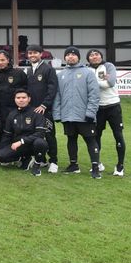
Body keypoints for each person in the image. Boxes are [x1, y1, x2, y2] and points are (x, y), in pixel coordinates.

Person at [53, 46, 101, 179]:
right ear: (65, 58)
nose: (70, 57)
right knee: (71, 139)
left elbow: (94, 95)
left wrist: (91, 113)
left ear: (78, 57)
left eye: (73, 55)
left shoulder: (88, 73)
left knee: (91, 140)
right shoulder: (60, 75)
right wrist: (57, 114)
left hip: (85, 116)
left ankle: (95, 167)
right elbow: (57, 96)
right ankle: (73, 165)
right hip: (68, 115)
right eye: (68, 55)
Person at [87, 49, 126, 177]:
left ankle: (120, 166)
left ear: (101, 56)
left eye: (96, 54)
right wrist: (101, 82)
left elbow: (110, 83)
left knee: (118, 135)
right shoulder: (87, 70)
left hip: (113, 106)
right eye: (91, 55)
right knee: (96, 136)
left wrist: (91, 83)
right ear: (88, 59)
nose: (94, 57)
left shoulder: (108, 66)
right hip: (97, 108)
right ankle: (97, 163)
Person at [0, 89, 49, 176]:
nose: (21, 100)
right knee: (0, 156)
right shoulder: (12, 114)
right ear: (15, 99)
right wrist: (1, 150)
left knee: (40, 142)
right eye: (18, 98)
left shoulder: (37, 112)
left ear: (29, 99)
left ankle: (37, 165)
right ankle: (24, 159)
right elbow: (7, 135)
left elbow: (40, 133)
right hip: (19, 146)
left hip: (32, 144)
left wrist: (22, 141)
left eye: (24, 97)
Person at [26, 44, 59, 173]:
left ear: (41, 54)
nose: (32, 55)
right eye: (30, 53)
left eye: (35, 53)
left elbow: (53, 89)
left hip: (45, 110)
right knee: (35, 135)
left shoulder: (48, 69)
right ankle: (42, 159)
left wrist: (44, 105)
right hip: (32, 110)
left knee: (49, 135)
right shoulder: (28, 70)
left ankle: (54, 161)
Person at [0, 50, 27, 121]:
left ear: (8, 60)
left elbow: (26, 88)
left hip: (15, 107)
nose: (0, 62)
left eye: (3, 60)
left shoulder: (19, 73)